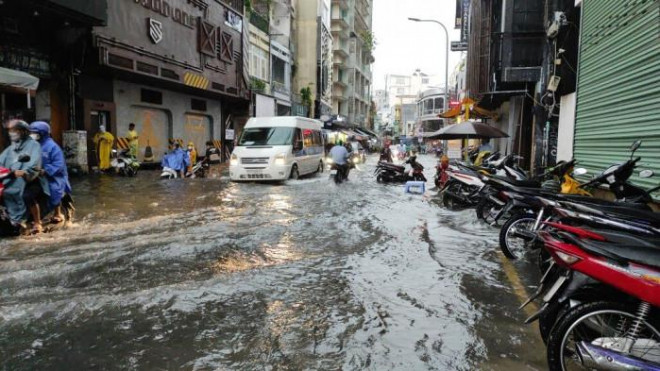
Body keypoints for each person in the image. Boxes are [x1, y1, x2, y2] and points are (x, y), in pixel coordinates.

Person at [0, 119, 49, 233]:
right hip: (10, 179)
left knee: (27, 195)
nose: (11, 132)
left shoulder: (34, 145)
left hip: (30, 179)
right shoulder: (11, 148)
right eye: (10, 130)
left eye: (14, 130)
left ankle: (37, 222)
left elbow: (34, 163)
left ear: (23, 131)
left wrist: (24, 172)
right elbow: (1, 160)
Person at [29, 121, 71, 224]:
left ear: (42, 133)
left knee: (54, 190)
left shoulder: (52, 147)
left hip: (55, 176)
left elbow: (59, 164)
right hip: (36, 174)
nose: (31, 135)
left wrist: (46, 170)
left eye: (34, 133)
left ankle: (57, 213)